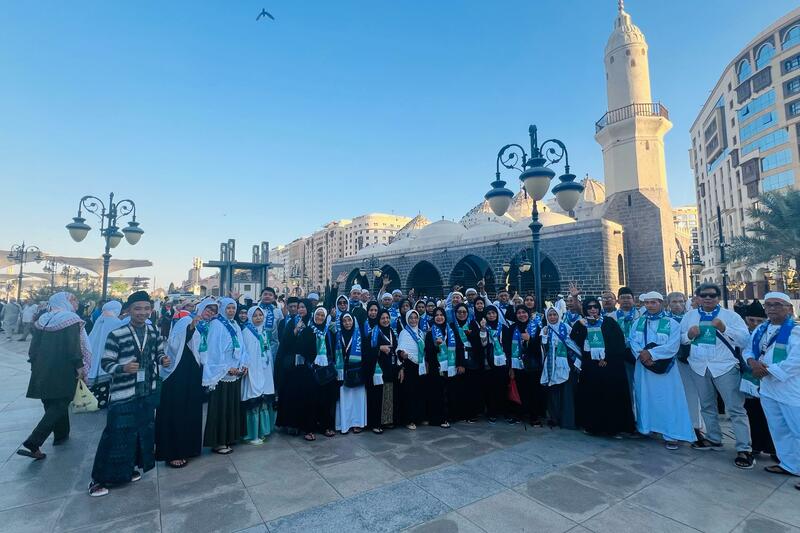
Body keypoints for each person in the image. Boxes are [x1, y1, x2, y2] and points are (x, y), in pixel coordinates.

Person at [89, 291, 170, 496]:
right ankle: (99, 479)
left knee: (140, 432)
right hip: (123, 393)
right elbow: (106, 363)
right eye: (138, 308)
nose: (142, 313)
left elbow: (158, 352)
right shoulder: (117, 334)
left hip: (146, 390)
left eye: (146, 309)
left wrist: (163, 359)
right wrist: (123, 368)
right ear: (128, 310)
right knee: (115, 433)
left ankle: (129, 468)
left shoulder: (153, 333)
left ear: (151, 310)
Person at [681, 282, 753, 468]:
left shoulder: (731, 316)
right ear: (697, 297)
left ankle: (744, 448)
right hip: (699, 366)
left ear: (718, 297)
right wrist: (689, 335)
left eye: (712, 295)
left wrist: (724, 329)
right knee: (706, 405)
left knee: (735, 408)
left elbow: (744, 340)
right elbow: (681, 338)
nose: (707, 298)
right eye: (703, 295)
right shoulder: (690, 316)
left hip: (724, 367)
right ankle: (714, 439)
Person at [18, 292, 91, 460]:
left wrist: (34, 364)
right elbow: (74, 347)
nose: (76, 302)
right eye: (72, 299)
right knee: (61, 403)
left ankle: (61, 435)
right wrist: (80, 367)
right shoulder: (70, 319)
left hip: (42, 368)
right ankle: (34, 441)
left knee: (50, 401)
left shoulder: (43, 320)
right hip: (63, 369)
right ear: (63, 302)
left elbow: (33, 348)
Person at [743, 292, 799, 483]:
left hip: (790, 389)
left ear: (789, 308)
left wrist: (767, 370)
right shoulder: (761, 329)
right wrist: (752, 362)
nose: (772, 308)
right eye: (769, 305)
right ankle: (790, 465)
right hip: (768, 389)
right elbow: (749, 349)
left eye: (777, 304)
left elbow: (795, 361)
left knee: (797, 429)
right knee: (779, 428)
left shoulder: (795, 331)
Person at [629, 291, 695, 450]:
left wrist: (651, 354)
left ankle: (671, 434)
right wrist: (642, 355)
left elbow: (672, 345)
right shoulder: (638, 322)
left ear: (661, 303)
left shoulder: (671, 323)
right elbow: (632, 341)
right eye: (647, 303)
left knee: (668, 400)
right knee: (644, 397)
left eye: (654, 302)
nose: (650, 306)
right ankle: (646, 428)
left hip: (664, 369)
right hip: (643, 367)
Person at [574, 296, 635, 437]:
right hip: (591, 367)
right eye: (589, 307)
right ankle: (593, 426)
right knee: (593, 398)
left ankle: (613, 428)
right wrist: (579, 326)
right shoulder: (583, 324)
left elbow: (618, 342)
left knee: (611, 398)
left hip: (609, 366)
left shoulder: (608, 322)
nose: (592, 309)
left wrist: (606, 358)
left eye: (595, 306)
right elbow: (575, 341)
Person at [194, 297, 247, 455]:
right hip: (222, 372)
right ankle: (218, 441)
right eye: (228, 308)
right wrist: (226, 368)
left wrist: (243, 364)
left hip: (235, 370)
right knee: (221, 407)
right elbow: (214, 351)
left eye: (233, 308)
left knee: (232, 406)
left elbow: (242, 347)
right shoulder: (216, 325)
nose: (231, 311)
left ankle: (230, 436)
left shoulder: (235, 324)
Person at [155, 306, 205, 467]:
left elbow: (201, 350)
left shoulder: (202, 330)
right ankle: (174, 452)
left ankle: (190, 448)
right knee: (176, 415)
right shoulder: (184, 326)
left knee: (192, 413)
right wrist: (190, 327)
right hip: (177, 379)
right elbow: (178, 343)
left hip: (193, 378)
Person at [740, 299, 776, 457]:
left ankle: (774, 448)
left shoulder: (771, 332)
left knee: (771, 415)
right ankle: (756, 444)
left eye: (759, 321)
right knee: (752, 413)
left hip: (769, 377)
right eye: (751, 320)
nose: (754, 323)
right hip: (748, 378)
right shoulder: (741, 333)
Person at [667, 291, 704, 442]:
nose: (677, 305)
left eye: (680, 301)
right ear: (668, 304)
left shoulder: (691, 318)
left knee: (692, 395)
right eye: (674, 302)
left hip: (689, 361)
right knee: (673, 395)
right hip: (671, 362)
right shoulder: (665, 320)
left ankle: (695, 426)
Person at [275, 300, 315, 437]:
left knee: (305, 396)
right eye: (299, 307)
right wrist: (296, 330)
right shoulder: (292, 322)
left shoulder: (312, 322)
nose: (301, 310)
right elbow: (285, 342)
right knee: (292, 395)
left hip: (307, 366)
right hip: (293, 366)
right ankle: (291, 423)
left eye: (304, 307)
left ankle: (304, 424)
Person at [539, 306, 582, 429]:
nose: (552, 317)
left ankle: (567, 420)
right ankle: (554, 418)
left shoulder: (566, 327)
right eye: (550, 315)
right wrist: (546, 338)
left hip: (566, 363)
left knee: (567, 391)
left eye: (555, 315)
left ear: (559, 315)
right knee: (554, 390)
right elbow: (543, 348)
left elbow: (573, 344)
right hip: (551, 363)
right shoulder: (545, 329)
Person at [240, 306, 277, 444]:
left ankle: (264, 431)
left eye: (260, 315)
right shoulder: (246, 332)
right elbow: (245, 352)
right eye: (255, 315)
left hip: (265, 369)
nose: (258, 318)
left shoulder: (265, 332)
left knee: (264, 400)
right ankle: (252, 433)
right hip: (252, 369)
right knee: (253, 400)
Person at [301, 307, 338, 439]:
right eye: (318, 315)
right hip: (312, 371)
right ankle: (309, 429)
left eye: (323, 315)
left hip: (326, 371)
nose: (320, 318)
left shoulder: (329, 332)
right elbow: (302, 349)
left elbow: (333, 350)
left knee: (326, 400)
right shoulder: (308, 331)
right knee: (311, 400)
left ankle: (326, 427)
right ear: (314, 315)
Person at [505, 305, 545, 426]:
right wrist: (510, 367)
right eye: (519, 313)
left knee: (533, 392)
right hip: (517, 365)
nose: (522, 315)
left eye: (524, 312)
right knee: (519, 391)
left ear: (528, 313)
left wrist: (529, 340)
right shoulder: (512, 328)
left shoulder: (536, 328)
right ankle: (519, 414)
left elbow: (540, 348)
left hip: (533, 365)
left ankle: (534, 416)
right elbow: (507, 349)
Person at [451, 303, 485, 423]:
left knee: (472, 388)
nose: (461, 314)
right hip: (458, 360)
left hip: (473, 360)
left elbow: (479, 344)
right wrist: (460, 363)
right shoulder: (452, 326)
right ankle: (461, 413)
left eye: (464, 312)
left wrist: (471, 336)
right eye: (459, 312)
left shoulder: (473, 324)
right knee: (459, 388)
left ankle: (472, 413)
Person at [335, 312, 366, 433]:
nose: (347, 323)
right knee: (345, 399)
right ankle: (345, 424)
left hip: (357, 370)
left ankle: (357, 423)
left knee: (357, 399)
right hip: (343, 371)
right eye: (345, 321)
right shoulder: (338, 335)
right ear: (341, 323)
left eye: (349, 321)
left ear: (353, 321)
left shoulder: (360, 335)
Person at [610, 286, 640, 410]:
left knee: (639, 386)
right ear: (618, 301)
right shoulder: (611, 317)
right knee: (625, 385)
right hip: (620, 354)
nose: (626, 300)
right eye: (623, 298)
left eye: (628, 297)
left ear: (633, 300)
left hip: (637, 354)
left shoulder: (641, 315)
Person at [369, 308, 399, 432]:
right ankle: (376, 423)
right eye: (383, 318)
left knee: (388, 392)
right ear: (378, 319)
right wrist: (379, 348)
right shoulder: (374, 332)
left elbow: (396, 347)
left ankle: (386, 420)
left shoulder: (392, 331)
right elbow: (367, 350)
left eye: (387, 318)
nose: (386, 320)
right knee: (377, 395)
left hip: (390, 367)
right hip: (378, 368)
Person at [397, 309, 425, 429]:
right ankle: (409, 419)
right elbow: (399, 350)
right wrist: (402, 360)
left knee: (419, 392)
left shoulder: (421, 333)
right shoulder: (404, 333)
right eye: (411, 318)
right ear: (407, 319)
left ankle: (418, 418)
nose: (413, 320)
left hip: (420, 366)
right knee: (409, 393)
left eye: (415, 318)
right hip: (409, 365)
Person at [425, 306, 453, 428]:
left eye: (441, 315)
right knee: (437, 394)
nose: (439, 317)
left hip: (450, 365)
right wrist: (436, 346)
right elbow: (428, 351)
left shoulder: (450, 330)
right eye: (437, 315)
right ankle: (438, 418)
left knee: (448, 392)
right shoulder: (430, 332)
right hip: (436, 367)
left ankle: (448, 416)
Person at [482, 305, 509, 423]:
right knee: (490, 389)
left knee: (503, 387)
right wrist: (482, 330)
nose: (491, 315)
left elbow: (508, 346)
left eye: (493, 313)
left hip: (502, 362)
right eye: (489, 313)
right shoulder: (484, 327)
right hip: (489, 362)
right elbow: (482, 344)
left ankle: (505, 411)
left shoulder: (503, 327)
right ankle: (492, 412)